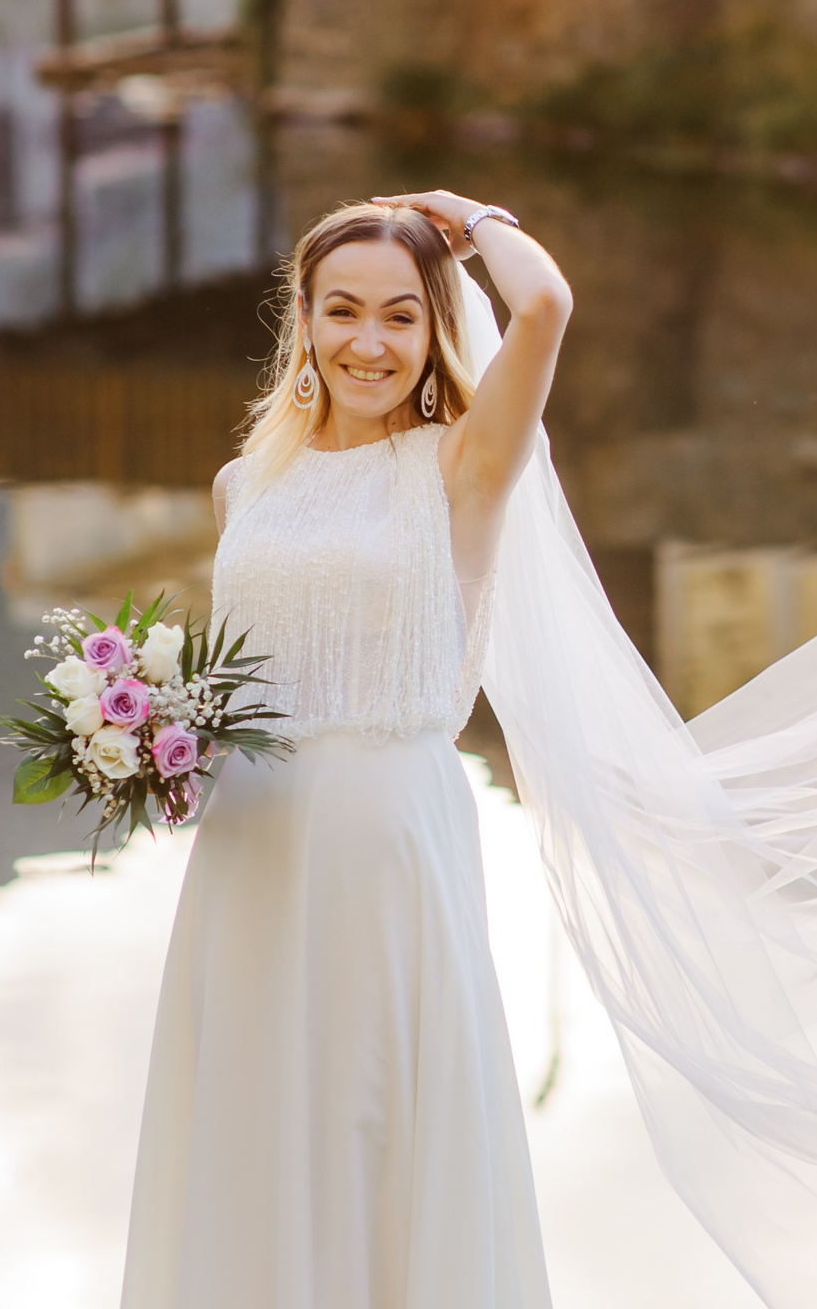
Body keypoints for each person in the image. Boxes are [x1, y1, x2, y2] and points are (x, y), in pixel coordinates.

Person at [120, 193, 568, 1309]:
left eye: (400, 317)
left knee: (372, 1111)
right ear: (304, 323)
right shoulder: (245, 485)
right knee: (254, 1109)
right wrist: (154, 739)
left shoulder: (462, 463)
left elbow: (547, 304)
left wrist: (464, 219)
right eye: (342, 311)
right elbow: (250, 671)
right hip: (251, 839)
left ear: (433, 333)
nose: (368, 343)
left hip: (386, 832)